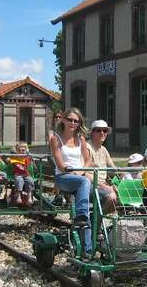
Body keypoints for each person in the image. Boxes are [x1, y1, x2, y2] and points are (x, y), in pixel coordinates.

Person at [49, 107, 92, 255]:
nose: (73, 123)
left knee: (101, 198)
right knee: (84, 184)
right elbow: (60, 165)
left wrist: (80, 172)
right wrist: (75, 173)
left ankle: (88, 250)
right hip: (63, 177)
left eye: (76, 120)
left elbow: (88, 160)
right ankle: (81, 216)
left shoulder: (80, 139)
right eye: (70, 120)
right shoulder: (56, 138)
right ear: (63, 120)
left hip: (80, 177)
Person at [86, 120, 118, 213]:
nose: (102, 133)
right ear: (92, 132)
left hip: (102, 184)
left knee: (124, 195)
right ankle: (96, 223)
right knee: (111, 197)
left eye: (105, 131)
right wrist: (104, 186)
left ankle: (96, 218)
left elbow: (114, 168)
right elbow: (84, 174)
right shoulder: (87, 148)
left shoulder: (103, 149)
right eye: (98, 130)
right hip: (90, 185)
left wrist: (127, 174)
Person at [7, 141, 35, 207]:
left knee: (30, 180)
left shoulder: (26, 157)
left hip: (26, 174)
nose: (23, 149)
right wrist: (12, 157)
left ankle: (29, 196)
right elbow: (7, 160)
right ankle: (18, 195)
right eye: (21, 148)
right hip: (18, 174)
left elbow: (32, 159)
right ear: (17, 150)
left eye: (24, 148)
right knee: (19, 180)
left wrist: (29, 155)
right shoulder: (15, 157)